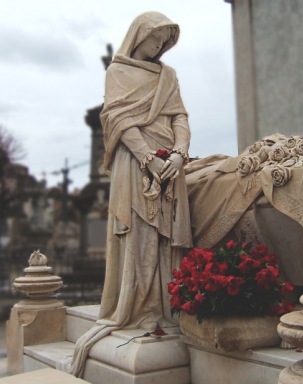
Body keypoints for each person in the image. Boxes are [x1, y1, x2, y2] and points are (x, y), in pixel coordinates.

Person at [71, 12, 192, 377]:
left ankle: (167, 308)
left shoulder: (167, 76)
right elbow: (120, 121)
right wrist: (147, 159)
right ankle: (138, 308)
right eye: (154, 39)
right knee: (139, 233)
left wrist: (178, 154)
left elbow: (180, 117)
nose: (159, 47)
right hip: (136, 163)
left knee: (167, 239)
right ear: (138, 36)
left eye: (165, 41)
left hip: (170, 165)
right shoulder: (117, 72)